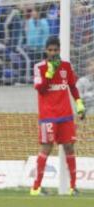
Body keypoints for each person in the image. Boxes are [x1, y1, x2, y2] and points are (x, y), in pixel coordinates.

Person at [31, 36, 85, 196]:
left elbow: (73, 87)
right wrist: (49, 73)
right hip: (48, 115)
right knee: (46, 148)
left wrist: (79, 104)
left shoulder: (66, 66)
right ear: (46, 50)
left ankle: (73, 187)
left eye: (55, 50)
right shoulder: (39, 67)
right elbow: (40, 89)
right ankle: (36, 188)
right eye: (50, 50)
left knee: (69, 147)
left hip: (65, 114)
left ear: (59, 50)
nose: (53, 53)